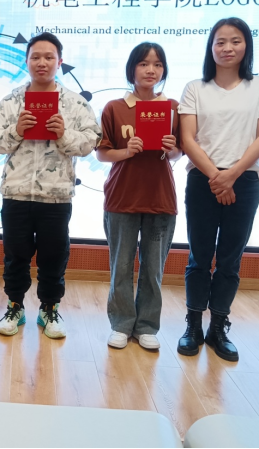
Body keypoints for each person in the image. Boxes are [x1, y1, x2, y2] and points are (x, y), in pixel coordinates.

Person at [177, 17, 259, 362]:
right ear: (210, 47)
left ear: (246, 46)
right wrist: (216, 176)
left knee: (229, 259)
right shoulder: (195, 88)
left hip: (245, 180)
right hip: (203, 179)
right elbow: (187, 139)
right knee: (199, 256)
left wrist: (232, 174)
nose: (227, 48)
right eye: (220, 42)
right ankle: (193, 325)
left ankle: (218, 327)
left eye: (235, 41)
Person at [0, 32, 101, 339]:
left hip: (56, 195)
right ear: (26, 61)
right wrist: (16, 130)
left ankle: (49, 309)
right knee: (15, 255)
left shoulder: (75, 103)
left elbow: (90, 143)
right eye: (35, 57)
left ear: (59, 62)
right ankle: (15, 306)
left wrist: (64, 134)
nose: (42, 62)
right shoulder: (11, 101)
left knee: (54, 256)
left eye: (49, 57)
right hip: (16, 193)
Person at [96, 43, 182, 351]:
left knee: (153, 269)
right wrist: (126, 151)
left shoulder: (173, 108)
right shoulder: (114, 107)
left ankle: (146, 326)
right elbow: (102, 153)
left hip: (160, 197)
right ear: (132, 68)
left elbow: (179, 152)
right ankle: (121, 324)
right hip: (122, 196)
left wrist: (171, 148)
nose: (151, 70)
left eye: (157, 64)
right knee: (121, 266)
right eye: (144, 63)